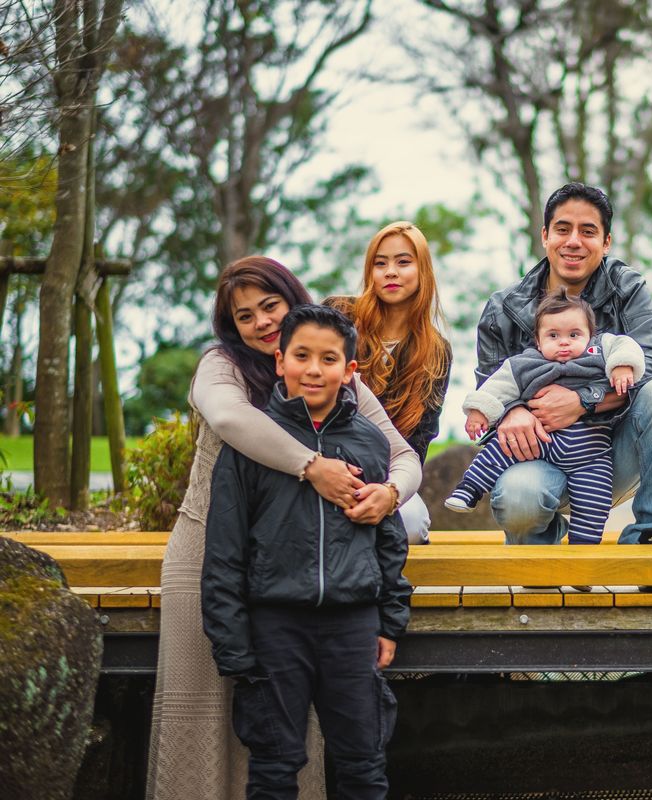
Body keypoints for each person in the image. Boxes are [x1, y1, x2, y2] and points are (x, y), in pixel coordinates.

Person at [146, 257, 422, 800]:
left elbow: (401, 458)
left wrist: (388, 494)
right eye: (245, 315)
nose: (261, 321)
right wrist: (313, 466)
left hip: (317, 583)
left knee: (316, 742)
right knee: (206, 707)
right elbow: (230, 419)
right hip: (216, 548)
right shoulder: (221, 365)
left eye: (270, 305)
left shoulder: (341, 386)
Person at [203, 304, 410, 800]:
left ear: (349, 370)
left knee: (363, 766)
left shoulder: (367, 442)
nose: (314, 370)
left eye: (328, 359)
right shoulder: (254, 443)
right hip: (275, 626)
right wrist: (234, 646)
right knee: (274, 769)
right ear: (280, 361)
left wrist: (389, 621)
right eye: (301, 356)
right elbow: (225, 549)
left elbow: (389, 539)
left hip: (352, 624)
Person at [475, 182, 652, 545]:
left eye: (588, 231)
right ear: (545, 236)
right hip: (539, 452)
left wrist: (584, 400)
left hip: (612, 450)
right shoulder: (503, 308)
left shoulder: (627, 288)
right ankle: (542, 545)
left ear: (606, 242)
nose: (573, 241)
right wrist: (512, 411)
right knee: (519, 502)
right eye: (563, 229)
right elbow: (487, 386)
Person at [447, 289, 644, 543]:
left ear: (590, 336)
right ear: (538, 342)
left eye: (574, 335)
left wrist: (623, 365)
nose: (564, 342)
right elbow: (497, 386)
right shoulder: (526, 363)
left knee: (595, 501)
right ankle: (470, 488)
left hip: (590, 453)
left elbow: (624, 344)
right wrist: (478, 410)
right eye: (553, 335)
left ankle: (584, 550)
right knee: (500, 448)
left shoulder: (598, 352)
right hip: (539, 442)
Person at [326, 220, 452, 545]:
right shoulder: (337, 314)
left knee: (412, 524)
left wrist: (386, 488)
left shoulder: (436, 351)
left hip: (386, 472)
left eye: (403, 262)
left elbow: (419, 440)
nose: (391, 272)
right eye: (380, 263)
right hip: (322, 458)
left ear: (423, 270)